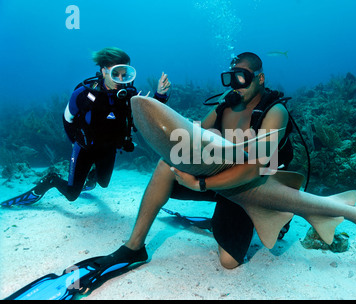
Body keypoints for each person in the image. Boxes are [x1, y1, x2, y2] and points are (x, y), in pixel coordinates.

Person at [120, 52, 295, 269]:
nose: (235, 86)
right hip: (221, 178)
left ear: (260, 79)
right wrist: (219, 106)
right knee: (167, 164)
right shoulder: (226, 104)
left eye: (242, 78)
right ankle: (134, 246)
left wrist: (201, 184)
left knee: (229, 262)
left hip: (252, 188)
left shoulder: (275, 112)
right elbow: (196, 138)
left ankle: (271, 216)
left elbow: (254, 169)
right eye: (230, 79)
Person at [1, 47, 171, 207]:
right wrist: (74, 141)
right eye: (115, 74)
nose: (120, 80)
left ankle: (91, 176)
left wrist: (160, 95)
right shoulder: (83, 94)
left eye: (124, 74)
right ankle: (51, 180)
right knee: (72, 195)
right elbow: (68, 118)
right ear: (104, 70)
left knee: (103, 183)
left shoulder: (129, 96)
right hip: (85, 148)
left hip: (109, 148)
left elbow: (147, 116)